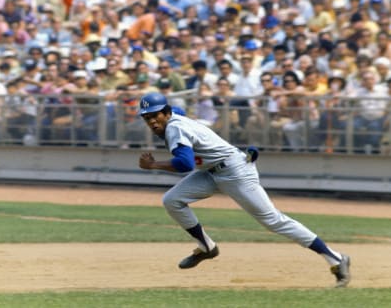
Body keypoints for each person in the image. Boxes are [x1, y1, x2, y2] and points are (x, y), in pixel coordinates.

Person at [137, 92, 351, 288]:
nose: (152, 121)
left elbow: (185, 163)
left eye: (155, 115)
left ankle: (336, 259)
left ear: (166, 112)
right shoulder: (174, 116)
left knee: (274, 221)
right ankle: (206, 247)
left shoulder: (175, 127)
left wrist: (153, 165)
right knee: (172, 200)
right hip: (212, 172)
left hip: (235, 171)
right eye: (147, 118)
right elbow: (181, 112)